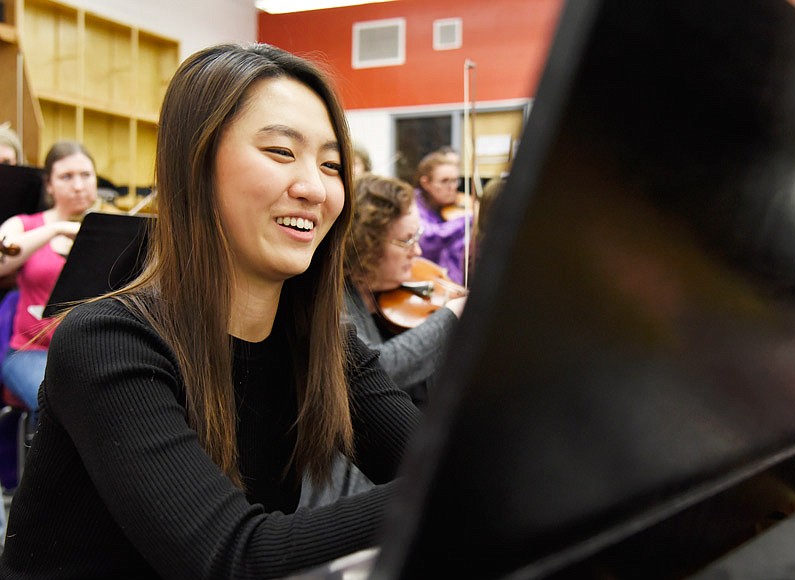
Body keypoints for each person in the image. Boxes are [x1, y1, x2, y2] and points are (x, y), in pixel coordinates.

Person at [0, 42, 420, 579]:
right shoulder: (105, 342)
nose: (315, 188)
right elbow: (234, 558)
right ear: (197, 166)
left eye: (332, 164)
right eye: (281, 152)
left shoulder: (324, 347)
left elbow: (426, 463)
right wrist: (447, 485)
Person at [345, 173, 466, 407]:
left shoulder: (391, 283)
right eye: (406, 240)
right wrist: (450, 315)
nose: (418, 251)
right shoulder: (337, 301)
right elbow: (380, 367)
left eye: (417, 237)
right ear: (366, 245)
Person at [0, 140, 96, 414]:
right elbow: (1, 258)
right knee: (59, 403)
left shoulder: (110, 228)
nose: (78, 185)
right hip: (31, 352)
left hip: (89, 353)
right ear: (49, 185)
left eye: (85, 175)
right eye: (66, 177)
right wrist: (56, 230)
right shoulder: (25, 225)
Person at [414, 150, 472, 285]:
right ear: (426, 183)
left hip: (453, 284)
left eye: (455, 180)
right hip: (424, 282)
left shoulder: (455, 206)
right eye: (444, 181)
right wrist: (469, 217)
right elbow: (430, 238)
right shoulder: (413, 205)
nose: (452, 187)